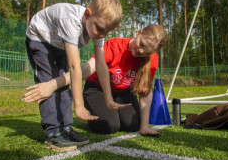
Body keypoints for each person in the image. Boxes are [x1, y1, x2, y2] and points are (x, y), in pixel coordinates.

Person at [24, 0, 130, 152]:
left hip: (57, 43)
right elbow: (75, 68)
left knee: (63, 86)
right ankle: (53, 131)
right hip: (40, 39)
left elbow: (101, 65)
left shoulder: (98, 25)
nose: (102, 35)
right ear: (87, 14)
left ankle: (66, 127)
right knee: (49, 84)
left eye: (106, 32)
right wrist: (79, 106)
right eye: (100, 29)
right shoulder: (71, 21)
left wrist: (108, 99)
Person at [23, 24, 167, 136]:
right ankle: (104, 113)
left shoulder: (152, 59)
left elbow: (145, 92)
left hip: (123, 93)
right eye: (141, 44)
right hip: (97, 89)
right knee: (110, 126)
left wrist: (144, 126)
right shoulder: (114, 46)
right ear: (139, 32)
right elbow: (85, 70)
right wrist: (53, 84)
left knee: (133, 125)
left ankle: (122, 117)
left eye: (147, 51)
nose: (141, 51)